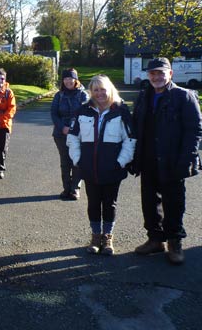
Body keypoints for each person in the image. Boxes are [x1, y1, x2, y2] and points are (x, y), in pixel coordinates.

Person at [132, 57, 202, 265]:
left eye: (161, 73)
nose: (157, 77)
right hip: (148, 158)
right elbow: (136, 126)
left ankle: (174, 242)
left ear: (170, 74)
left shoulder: (184, 96)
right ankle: (155, 239)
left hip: (173, 159)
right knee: (149, 201)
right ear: (148, 76)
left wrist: (188, 159)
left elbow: (195, 130)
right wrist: (133, 156)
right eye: (153, 73)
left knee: (174, 202)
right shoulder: (144, 96)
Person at [67, 75, 135, 255]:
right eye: (95, 90)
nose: (99, 93)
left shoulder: (121, 111)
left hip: (112, 169)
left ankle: (107, 236)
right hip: (89, 168)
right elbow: (73, 137)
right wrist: (77, 159)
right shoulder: (83, 111)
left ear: (110, 89)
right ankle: (96, 236)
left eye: (102, 89)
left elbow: (130, 140)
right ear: (91, 92)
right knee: (93, 203)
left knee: (110, 204)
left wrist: (121, 161)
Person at [50, 68, 89, 200]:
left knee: (76, 160)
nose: (68, 81)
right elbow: (54, 113)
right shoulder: (58, 95)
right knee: (65, 161)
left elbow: (86, 112)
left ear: (76, 80)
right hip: (60, 133)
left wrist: (73, 128)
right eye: (65, 79)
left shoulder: (83, 95)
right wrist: (62, 127)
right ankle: (66, 188)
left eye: (71, 78)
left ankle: (75, 189)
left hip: (78, 134)